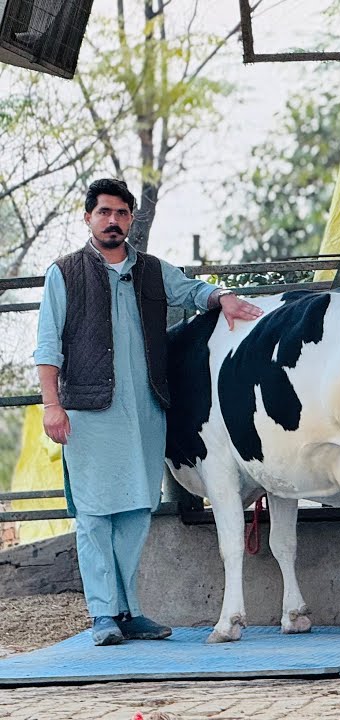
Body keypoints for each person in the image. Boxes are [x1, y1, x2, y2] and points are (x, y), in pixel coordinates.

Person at [33, 178, 263, 646]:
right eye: (104, 212)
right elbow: (46, 346)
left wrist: (223, 299)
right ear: (88, 218)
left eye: (121, 213)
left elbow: (193, 292)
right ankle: (102, 615)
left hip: (145, 411)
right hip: (88, 412)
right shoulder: (65, 273)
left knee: (137, 509)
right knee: (96, 514)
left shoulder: (153, 271)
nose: (112, 221)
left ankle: (129, 610)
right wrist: (52, 405)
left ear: (131, 220)